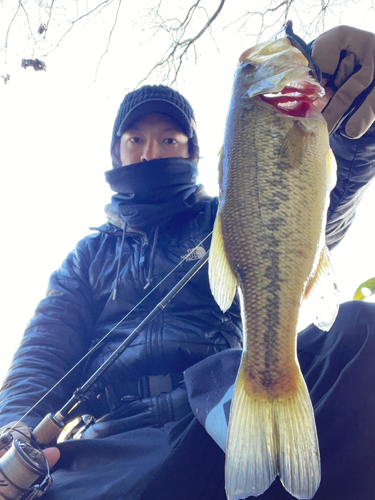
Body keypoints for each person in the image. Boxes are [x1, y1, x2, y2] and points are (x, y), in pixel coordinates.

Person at [0, 24, 375, 500]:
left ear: (195, 152)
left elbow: (319, 214)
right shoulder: (87, 257)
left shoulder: (227, 212)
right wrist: (16, 427)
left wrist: (355, 136)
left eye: (169, 138)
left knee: (363, 333)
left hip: (221, 404)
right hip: (109, 442)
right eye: (135, 139)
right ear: (117, 151)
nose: (151, 150)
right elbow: (43, 352)